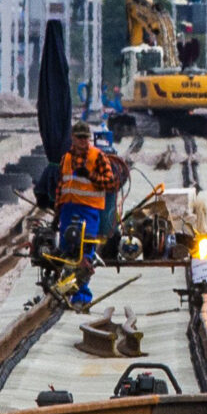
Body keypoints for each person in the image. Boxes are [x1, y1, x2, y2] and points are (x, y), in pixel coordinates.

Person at [54, 126, 126, 307]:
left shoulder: (98, 157)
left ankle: (81, 297)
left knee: (85, 253)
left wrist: (91, 176)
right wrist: (57, 214)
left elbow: (111, 184)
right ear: (72, 138)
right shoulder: (66, 159)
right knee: (67, 253)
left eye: (86, 138)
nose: (83, 141)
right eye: (79, 138)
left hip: (90, 210)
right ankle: (65, 290)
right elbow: (60, 187)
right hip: (68, 210)